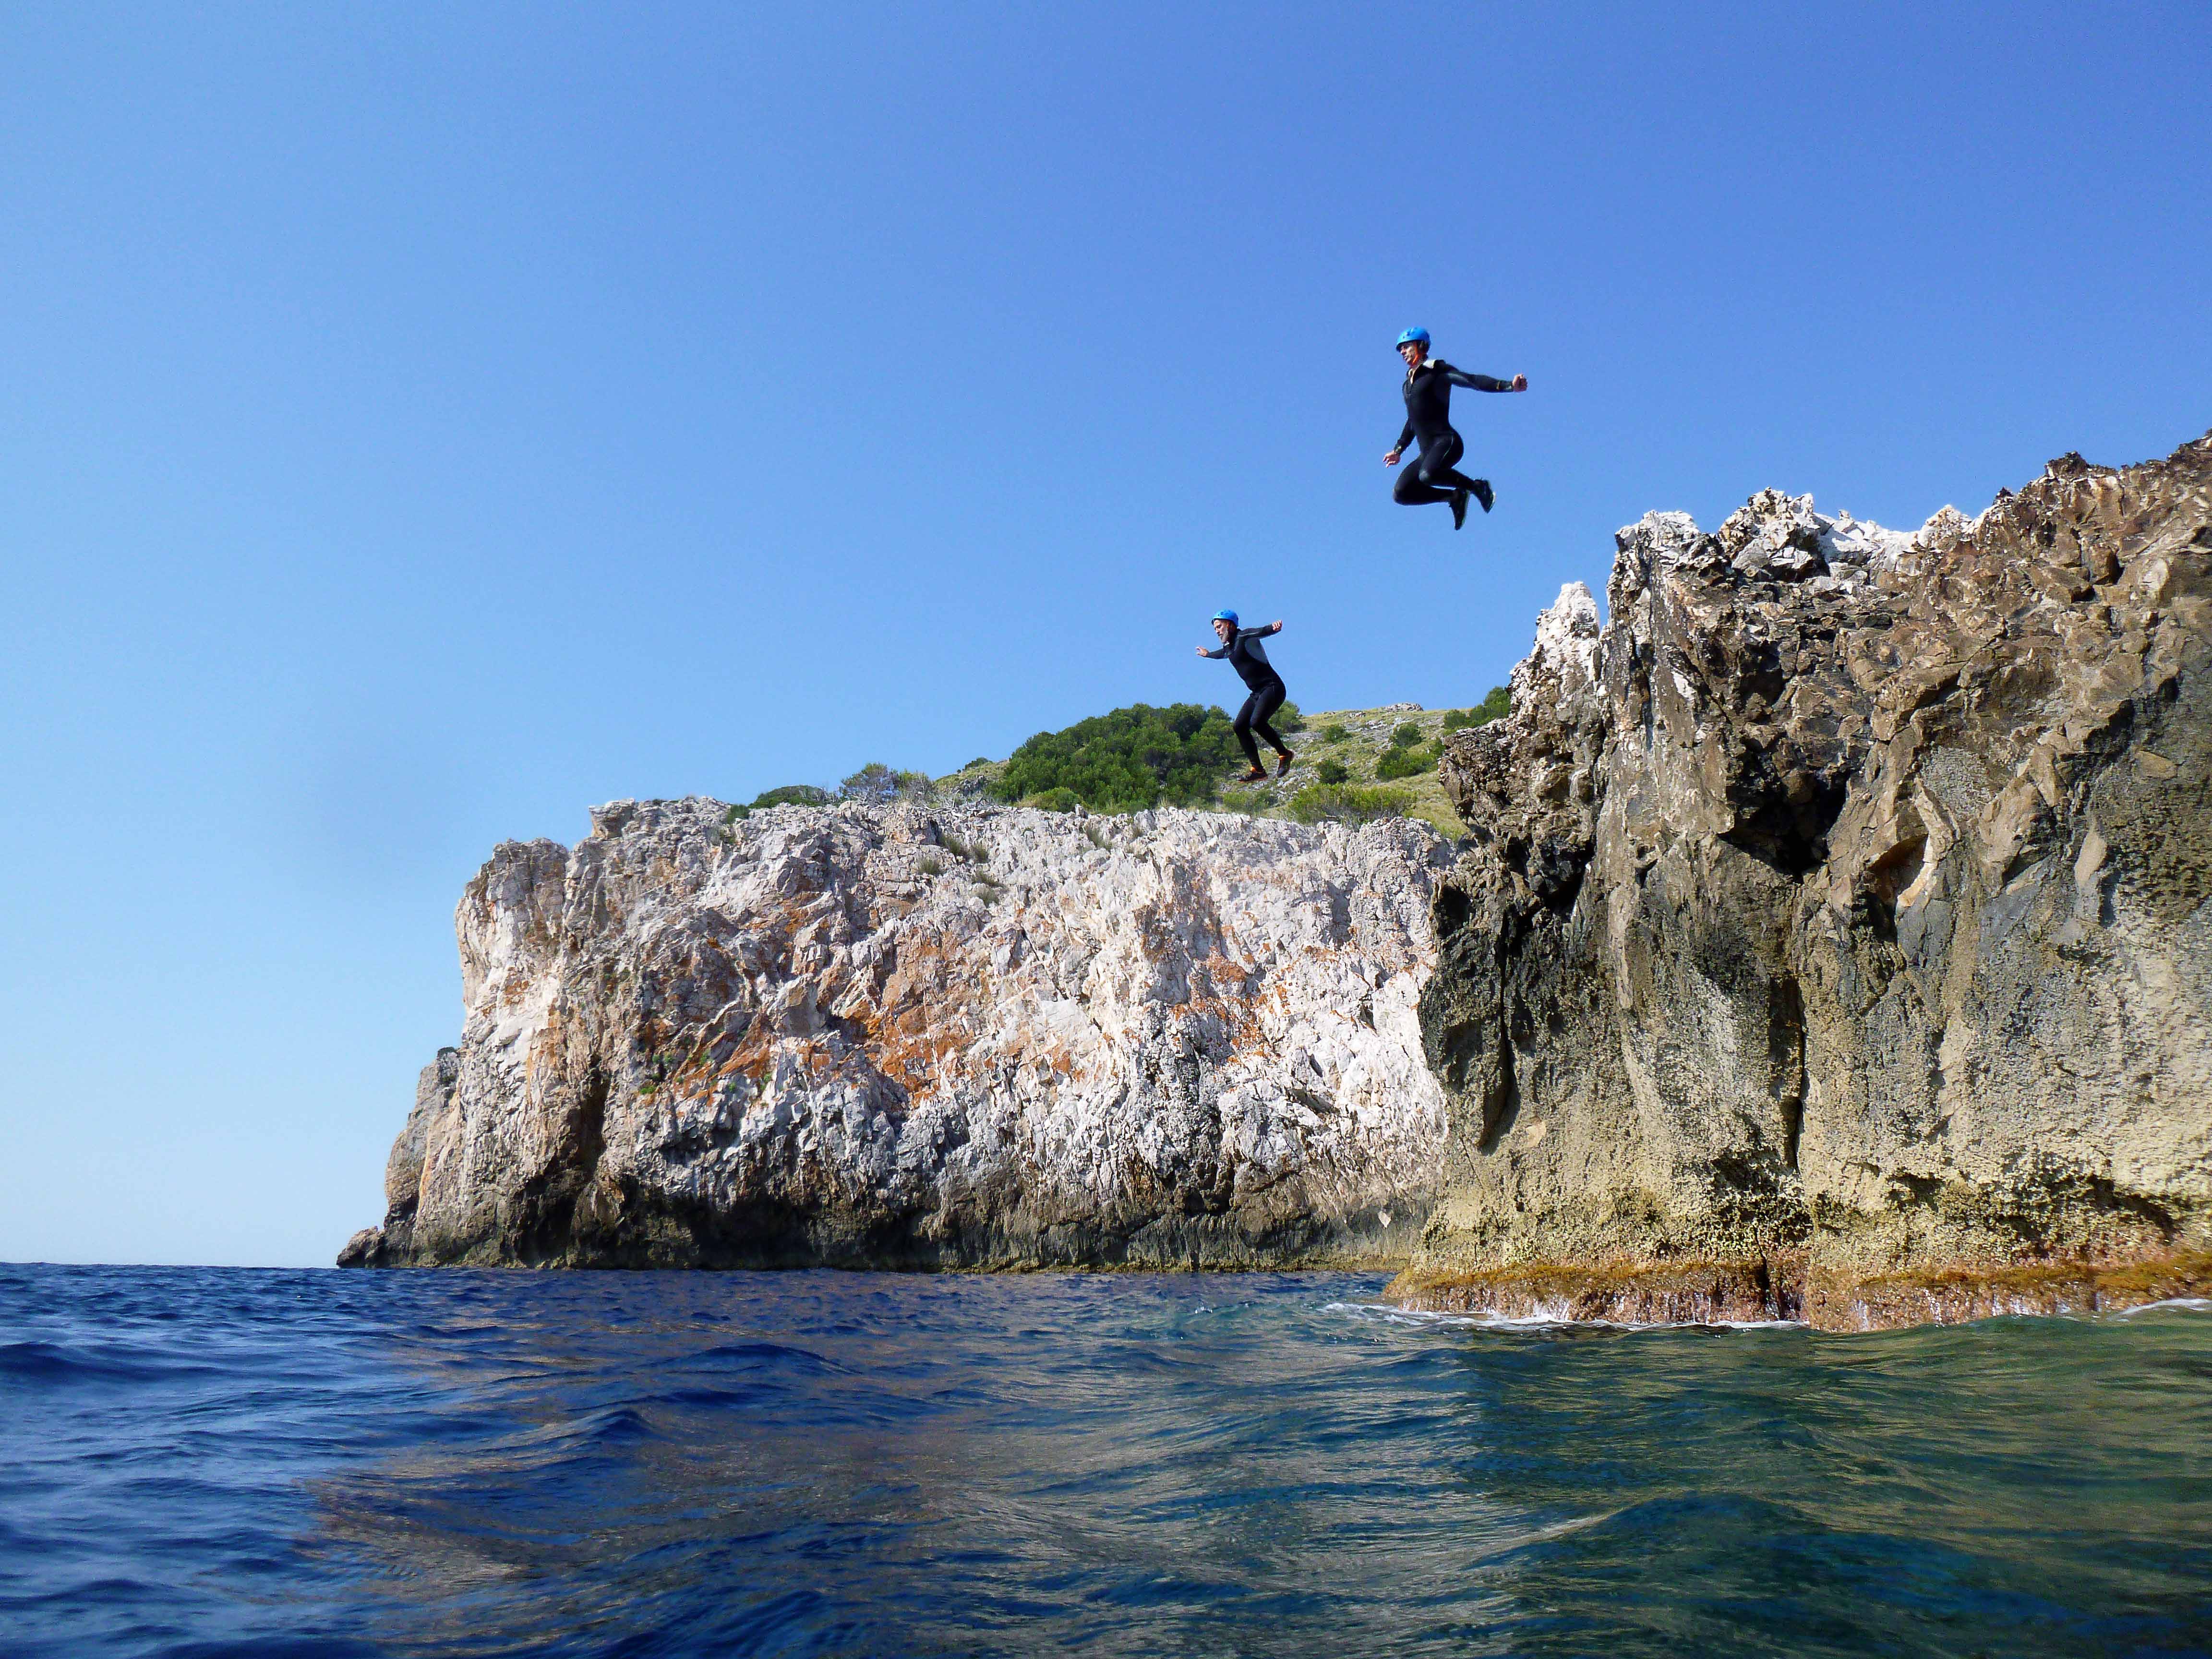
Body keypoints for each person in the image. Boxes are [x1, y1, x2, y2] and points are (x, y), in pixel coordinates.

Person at [1383, 326, 1527, 529]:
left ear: (1421, 346)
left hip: (1447, 442)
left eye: (1407, 347)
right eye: (1401, 350)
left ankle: (1477, 487)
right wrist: (1398, 450)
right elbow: (1413, 420)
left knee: (1428, 475)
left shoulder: (1437, 372)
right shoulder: (1408, 385)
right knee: (1402, 493)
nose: (1403, 353)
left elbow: (1473, 381)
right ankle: (1453, 497)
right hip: (1427, 454)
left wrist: (1509, 386)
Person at [1196, 611, 1295, 781]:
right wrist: (1208, 655)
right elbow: (1223, 654)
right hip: (1257, 693)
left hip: (1273, 688)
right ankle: (1258, 770)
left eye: (1219, 627)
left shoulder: (1244, 637)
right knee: (1240, 726)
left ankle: (1284, 754)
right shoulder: (1229, 647)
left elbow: (1261, 631)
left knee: (1256, 723)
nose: (1217, 631)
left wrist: (1273, 628)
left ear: (1231, 625)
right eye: (1215, 629)